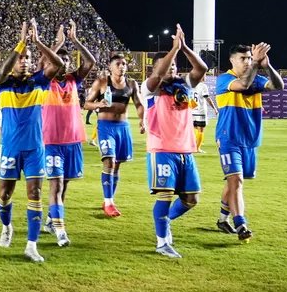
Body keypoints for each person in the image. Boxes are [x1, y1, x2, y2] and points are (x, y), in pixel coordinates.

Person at [0, 20, 62, 263]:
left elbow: (58, 64)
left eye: (28, 58)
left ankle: (31, 246)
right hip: (10, 148)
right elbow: (2, 72)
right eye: (20, 58)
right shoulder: (3, 82)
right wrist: (21, 42)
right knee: (5, 194)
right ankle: (7, 227)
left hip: (35, 149)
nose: (24, 61)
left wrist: (38, 42)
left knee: (35, 193)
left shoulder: (40, 81)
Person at [141, 24, 208, 258]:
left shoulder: (183, 86)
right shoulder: (150, 88)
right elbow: (158, 75)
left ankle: (165, 221)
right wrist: (173, 50)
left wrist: (184, 47)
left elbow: (202, 68)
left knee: (191, 199)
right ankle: (162, 243)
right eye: (168, 65)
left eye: (174, 66)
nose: (172, 68)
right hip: (161, 149)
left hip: (185, 150)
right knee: (165, 195)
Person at [214, 43, 284, 240]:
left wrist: (267, 66)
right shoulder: (225, 79)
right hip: (229, 138)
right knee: (236, 181)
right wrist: (255, 63)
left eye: (249, 58)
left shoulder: (257, 79)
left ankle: (222, 219)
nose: (247, 61)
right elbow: (243, 85)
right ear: (232, 60)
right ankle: (241, 224)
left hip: (250, 140)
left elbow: (278, 86)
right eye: (243, 58)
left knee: (233, 182)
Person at [41, 21, 96, 247]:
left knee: (64, 185)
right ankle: (61, 232)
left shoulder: (74, 80)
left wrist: (75, 41)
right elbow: (43, 62)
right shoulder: (44, 82)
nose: (64, 63)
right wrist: (58, 44)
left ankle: (51, 220)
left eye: (67, 60)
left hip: (73, 142)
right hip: (52, 142)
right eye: (59, 60)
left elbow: (90, 62)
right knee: (56, 185)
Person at [85, 53, 145, 217]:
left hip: (123, 127)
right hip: (106, 127)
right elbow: (87, 104)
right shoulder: (102, 82)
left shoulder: (131, 83)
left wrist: (142, 120)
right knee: (109, 162)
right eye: (118, 64)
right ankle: (109, 202)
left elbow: (139, 103)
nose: (121, 66)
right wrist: (99, 104)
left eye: (124, 64)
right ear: (110, 67)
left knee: (117, 165)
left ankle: (108, 199)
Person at [191, 75, 217, 153]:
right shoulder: (203, 86)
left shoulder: (192, 85)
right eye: (204, 76)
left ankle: (193, 146)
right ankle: (197, 148)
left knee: (194, 128)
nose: (205, 77)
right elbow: (207, 98)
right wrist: (214, 108)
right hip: (200, 111)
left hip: (192, 110)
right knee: (200, 129)